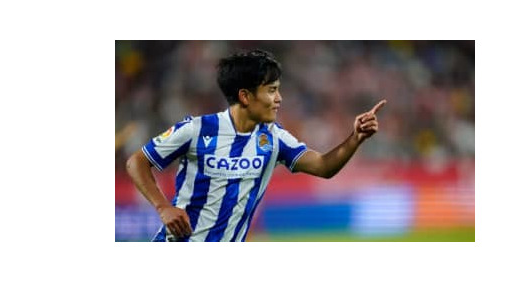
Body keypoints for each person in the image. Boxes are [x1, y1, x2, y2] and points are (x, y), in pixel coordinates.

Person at [125, 49, 386, 241]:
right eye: (271, 90)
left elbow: (323, 166)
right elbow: (137, 161)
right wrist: (163, 207)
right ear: (245, 96)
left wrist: (356, 138)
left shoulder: (273, 137)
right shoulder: (197, 129)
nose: (279, 98)